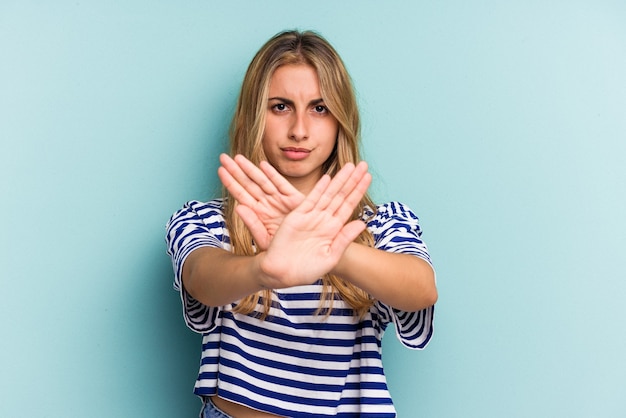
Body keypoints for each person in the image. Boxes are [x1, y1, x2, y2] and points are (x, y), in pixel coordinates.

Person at [166, 30, 438, 418]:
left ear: (341, 120)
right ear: (254, 115)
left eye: (319, 108)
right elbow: (201, 278)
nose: (299, 130)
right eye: (280, 106)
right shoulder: (208, 221)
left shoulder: (380, 224)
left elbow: (422, 289)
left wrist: (333, 249)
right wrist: (261, 268)